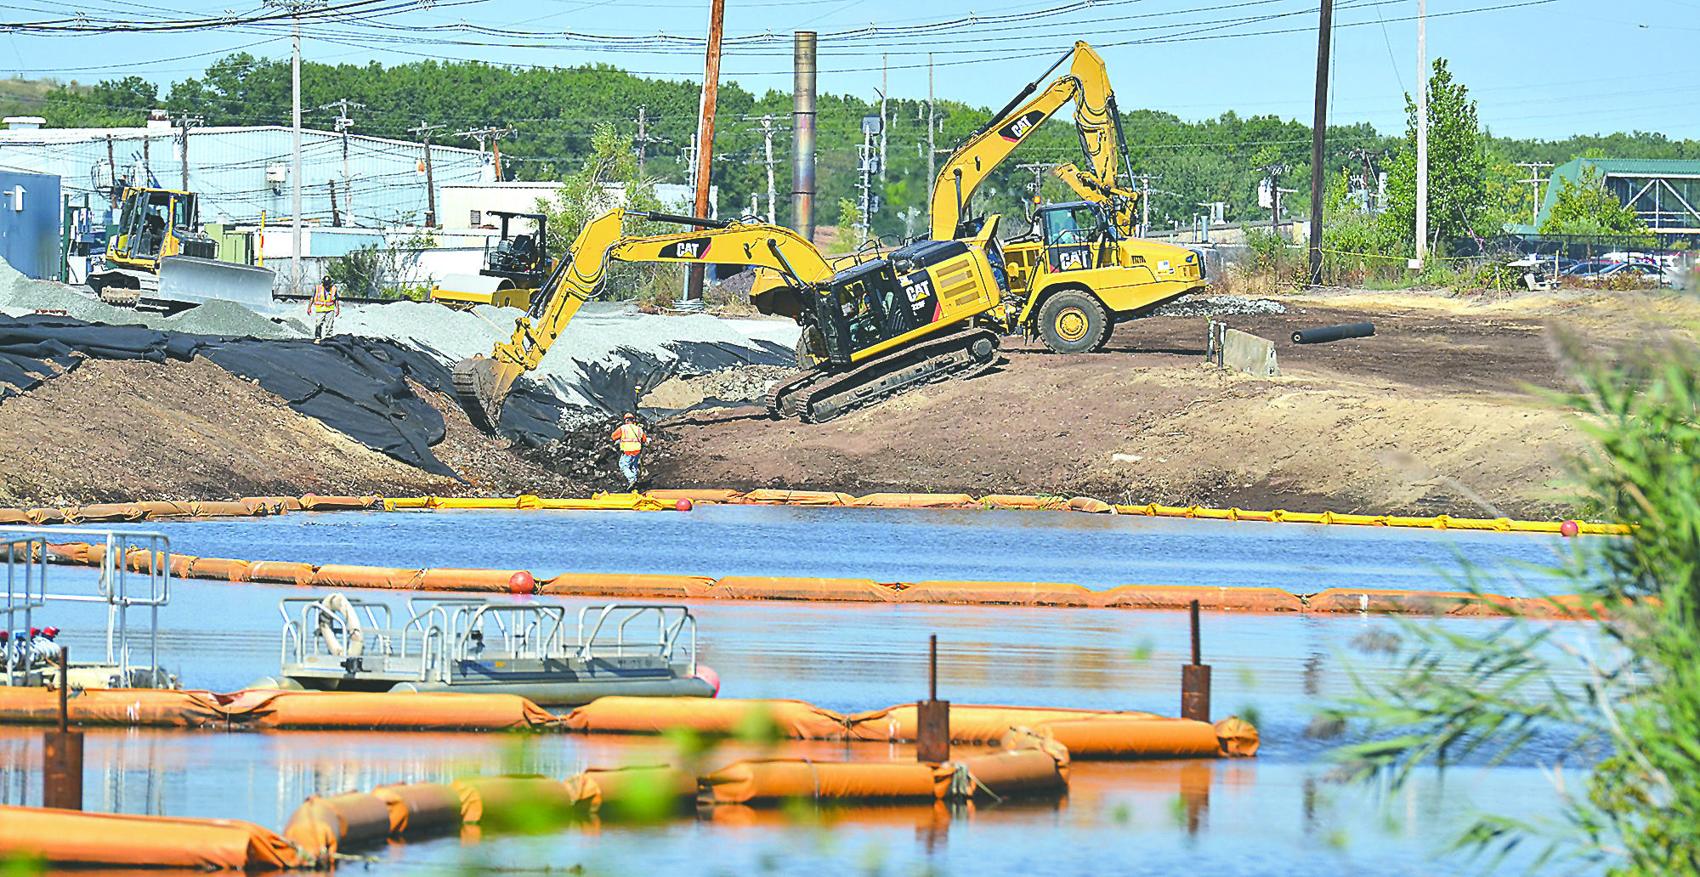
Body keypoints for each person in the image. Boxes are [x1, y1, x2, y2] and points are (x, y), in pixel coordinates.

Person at [609, 412, 649, 491]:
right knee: (633, 466)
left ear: (626, 420)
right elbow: (644, 439)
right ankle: (634, 484)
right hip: (637, 451)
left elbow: (613, 436)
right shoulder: (639, 429)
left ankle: (632, 480)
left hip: (627, 450)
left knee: (623, 465)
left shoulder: (623, 428)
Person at [309, 275, 340, 341]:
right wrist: (309, 308)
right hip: (320, 309)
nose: (327, 286)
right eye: (325, 284)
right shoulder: (318, 288)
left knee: (329, 325)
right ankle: (318, 337)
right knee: (318, 323)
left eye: (328, 284)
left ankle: (328, 338)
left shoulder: (333, 289)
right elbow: (312, 298)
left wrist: (337, 309)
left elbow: (336, 300)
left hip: (330, 309)